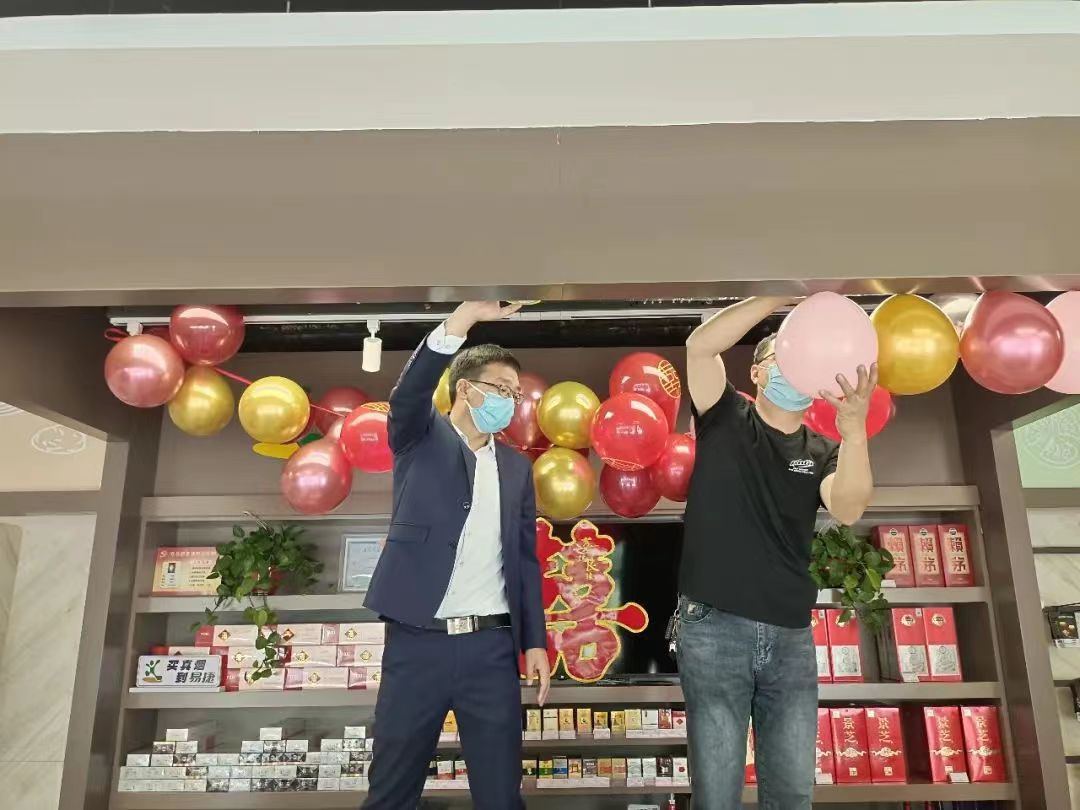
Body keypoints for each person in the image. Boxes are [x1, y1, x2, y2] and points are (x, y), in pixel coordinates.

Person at [676, 296, 876, 809]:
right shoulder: (726, 416)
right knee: (716, 793)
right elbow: (700, 347)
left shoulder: (823, 450)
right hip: (714, 626)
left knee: (791, 791)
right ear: (758, 373)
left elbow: (848, 507)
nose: (792, 370)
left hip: (790, 636)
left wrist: (854, 431)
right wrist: (774, 293)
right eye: (781, 359)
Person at [362, 300, 551, 810]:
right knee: (392, 788)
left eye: (515, 394)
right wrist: (463, 319)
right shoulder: (420, 436)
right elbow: (410, 392)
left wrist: (535, 642)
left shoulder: (516, 468)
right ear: (466, 388)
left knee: (500, 793)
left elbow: (524, 560)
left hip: (491, 648)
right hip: (417, 642)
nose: (511, 401)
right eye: (502, 389)